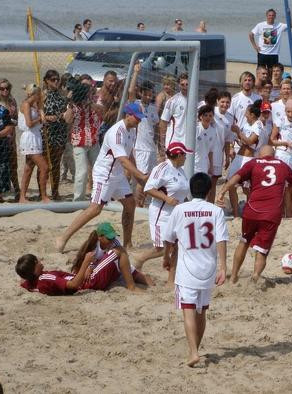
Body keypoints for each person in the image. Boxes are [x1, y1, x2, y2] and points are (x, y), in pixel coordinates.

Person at [56, 102, 148, 253]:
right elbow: (124, 160)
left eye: (140, 118)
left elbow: (130, 155)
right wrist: (141, 177)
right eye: (137, 117)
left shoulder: (132, 130)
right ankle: (63, 237)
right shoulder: (116, 132)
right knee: (95, 209)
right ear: (128, 115)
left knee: (130, 203)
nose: (139, 120)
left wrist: (138, 175)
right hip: (104, 174)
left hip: (117, 173)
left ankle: (128, 243)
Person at [163, 173, 228, 367]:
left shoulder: (180, 209)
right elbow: (221, 240)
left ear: (191, 190)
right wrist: (223, 266)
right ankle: (196, 348)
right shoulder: (216, 211)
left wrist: (166, 257)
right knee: (201, 312)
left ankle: (193, 352)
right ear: (209, 191)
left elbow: (168, 239)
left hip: (186, 269)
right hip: (208, 268)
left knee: (188, 311)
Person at [216, 145, 292, 283]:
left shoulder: (254, 163)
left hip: (252, 210)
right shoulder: (282, 165)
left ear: (260, 154)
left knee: (244, 241)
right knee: (262, 249)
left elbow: (235, 177)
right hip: (271, 213)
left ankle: (233, 277)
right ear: (274, 155)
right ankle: (255, 277)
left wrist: (222, 191)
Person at [19, 224, 151, 295]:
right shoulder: (45, 279)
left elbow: (24, 282)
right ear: (100, 237)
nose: (40, 261)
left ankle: (140, 283)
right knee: (120, 252)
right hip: (90, 282)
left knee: (146, 278)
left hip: (94, 275)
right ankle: (132, 287)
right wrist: (87, 264)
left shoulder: (34, 281)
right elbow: (73, 284)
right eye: (38, 262)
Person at [135, 142, 191, 273]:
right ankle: (140, 259)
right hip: (162, 214)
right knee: (162, 248)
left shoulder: (181, 171)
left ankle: (172, 277)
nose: (186, 157)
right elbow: (148, 188)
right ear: (178, 155)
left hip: (176, 214)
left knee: (175, 246)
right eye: (185, 154)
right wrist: (166, 198)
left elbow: (183, 193)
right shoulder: (162, 168)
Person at [63, 80, 103, 201]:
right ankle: (78, 199)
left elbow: (102, 110)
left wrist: (90, 104)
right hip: (79, 142)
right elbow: (67, 120)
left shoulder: (93, 103)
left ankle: (98, 196)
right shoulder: (73, 106)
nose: (88, 96)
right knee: (82, 171)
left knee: (99, 169)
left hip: (93, 141)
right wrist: (70, 103)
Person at [225, 100, 264, 217]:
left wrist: (238, 132)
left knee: (247, 188)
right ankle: (236, 213)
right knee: (230, 184)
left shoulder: (258, 124)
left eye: (247, 112)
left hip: (248, 159)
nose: (245, 114)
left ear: (252, 114)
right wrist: (238, 138)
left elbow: (250, 141)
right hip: (239, 157)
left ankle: (250, 212)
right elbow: (244, 141)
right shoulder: (247, 124)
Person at [127, 65, 158, 206]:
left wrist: (159, 147)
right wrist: (136, 73)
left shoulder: (153, 108)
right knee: (142, 179)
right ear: (141, 93)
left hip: (151, 149)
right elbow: (130, 91)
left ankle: (140, 203)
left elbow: (155, 128)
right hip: (140, 148)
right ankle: (136, 205)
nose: (148, 96)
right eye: (145, 93)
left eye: (150, 94)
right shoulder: (136, 105)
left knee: (149, 179)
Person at [270, 99, 292, 217]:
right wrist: (285, 143)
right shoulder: (279, 122)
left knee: (290, 184)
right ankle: (280, 210)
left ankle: (289, 209)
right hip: (282, 155)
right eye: (289, 112)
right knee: (280, 183)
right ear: (285, 111)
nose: (291, 114)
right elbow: (272, 140)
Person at [18, 84, 49, 203]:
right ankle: (44, 196)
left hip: (35, 136)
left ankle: (22, 197)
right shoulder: (26, 104)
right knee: (44, 167)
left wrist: (40, 109)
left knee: (28, 168)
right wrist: (40, 119)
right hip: (30, 137)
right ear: (35, 94)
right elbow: (29, 123)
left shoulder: (34, 105)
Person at [41, 70, 68, 200]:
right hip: (47, 133)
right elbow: (39, 113)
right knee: (45, 165)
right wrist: (48, 117)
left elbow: (65, 112)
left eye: (57, 79)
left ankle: (55, 191)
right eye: (52, 79)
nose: (56, 81)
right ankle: (43, 193)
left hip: (60, 132)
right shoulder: (42, 95)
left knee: (56, 164)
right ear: (46, 81)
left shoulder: (61, 95)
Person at [0, 78, 20, 199]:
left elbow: (16, 118)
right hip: (0, 138)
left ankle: (17, 190)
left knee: (13, 165)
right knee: (1, 166)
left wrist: (12, 121)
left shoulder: (12, 101)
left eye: (7, 88)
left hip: (11, 138)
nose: (5, 90)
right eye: (2, 88)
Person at [211, 91, 235, 202]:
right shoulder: (211, 112)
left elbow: (227, 140)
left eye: (227, 102)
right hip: (205, 151)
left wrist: (227, 157)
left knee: (214, 180)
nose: (225, 104)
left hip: (218, 154)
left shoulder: (230, 118)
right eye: (222, 102)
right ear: (217, 101)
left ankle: (210, 204)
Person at [159, 73, 188, 147]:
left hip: (188, 142)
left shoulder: (194, 101)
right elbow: (163, 122)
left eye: (187, 84)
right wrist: (162, 143)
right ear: (179, 85)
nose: (185, 87)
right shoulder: (173, 101)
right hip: (174, 141)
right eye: (182, 84)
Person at [194, 105, 215, 178]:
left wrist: (211, 166)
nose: (208, 117)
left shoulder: (213, 131)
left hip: (204, 165)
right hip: (192, 164)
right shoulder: (195, 129)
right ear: (200, 117)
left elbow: (211, 151)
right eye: (205, 115)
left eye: (210, 115)